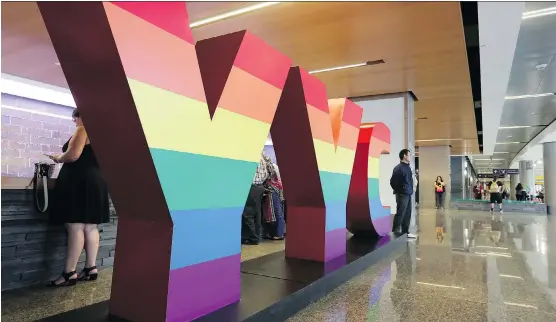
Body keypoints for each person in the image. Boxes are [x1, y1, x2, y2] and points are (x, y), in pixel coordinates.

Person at [46, 109, 110, 287]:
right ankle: (90, 268)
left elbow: (73, 154)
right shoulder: (105, 135)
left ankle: (69, 272)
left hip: (80, 181)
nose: (74, 119)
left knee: (75, 226)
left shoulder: (83, 129)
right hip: (98, 181)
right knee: (90, 226)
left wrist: (58, 158)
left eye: (76, 116)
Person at [241, 154, 269, 245]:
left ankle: (251, 238)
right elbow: (266, 174)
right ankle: (256, 235)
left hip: (251, 187)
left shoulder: (250, 156)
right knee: (257, 213)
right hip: (260, 187)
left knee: (247, 213)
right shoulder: (261, 158)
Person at [390, 149, 416, 239]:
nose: (410, 156)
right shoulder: (399, 168)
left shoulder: (407, 167)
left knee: (407, 214)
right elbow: (393, 182)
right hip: (402, 194)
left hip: (408, 194)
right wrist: (401, 190)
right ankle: (395, 233)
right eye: (409, 155)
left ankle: (406, 232)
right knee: (400, 213)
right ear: (404, 156)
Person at [262, 161, 286, 240]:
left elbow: (265, 176)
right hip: (277, 188)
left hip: (273, 189)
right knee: (277, 211)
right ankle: (277, 233)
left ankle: (279, 234)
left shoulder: (270, 166)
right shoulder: (274, 165)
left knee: (276, 211)